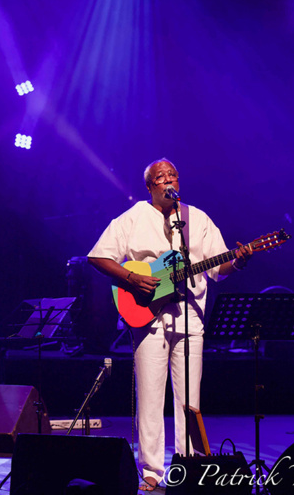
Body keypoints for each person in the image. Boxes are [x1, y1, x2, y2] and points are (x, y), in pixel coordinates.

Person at [88, 158, 252, 491]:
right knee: (150, 397)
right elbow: (98, 256)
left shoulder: (197, 219)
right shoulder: (133, 217)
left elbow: (217, 269)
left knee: (190, 399)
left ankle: (187, 464)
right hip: (147, 317)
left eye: (173, 175)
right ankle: (151, 470)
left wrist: (237, 261)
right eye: (160, 177)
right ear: (149, 186)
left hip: (190, 317)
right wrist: (132, 278)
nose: (168, 180)